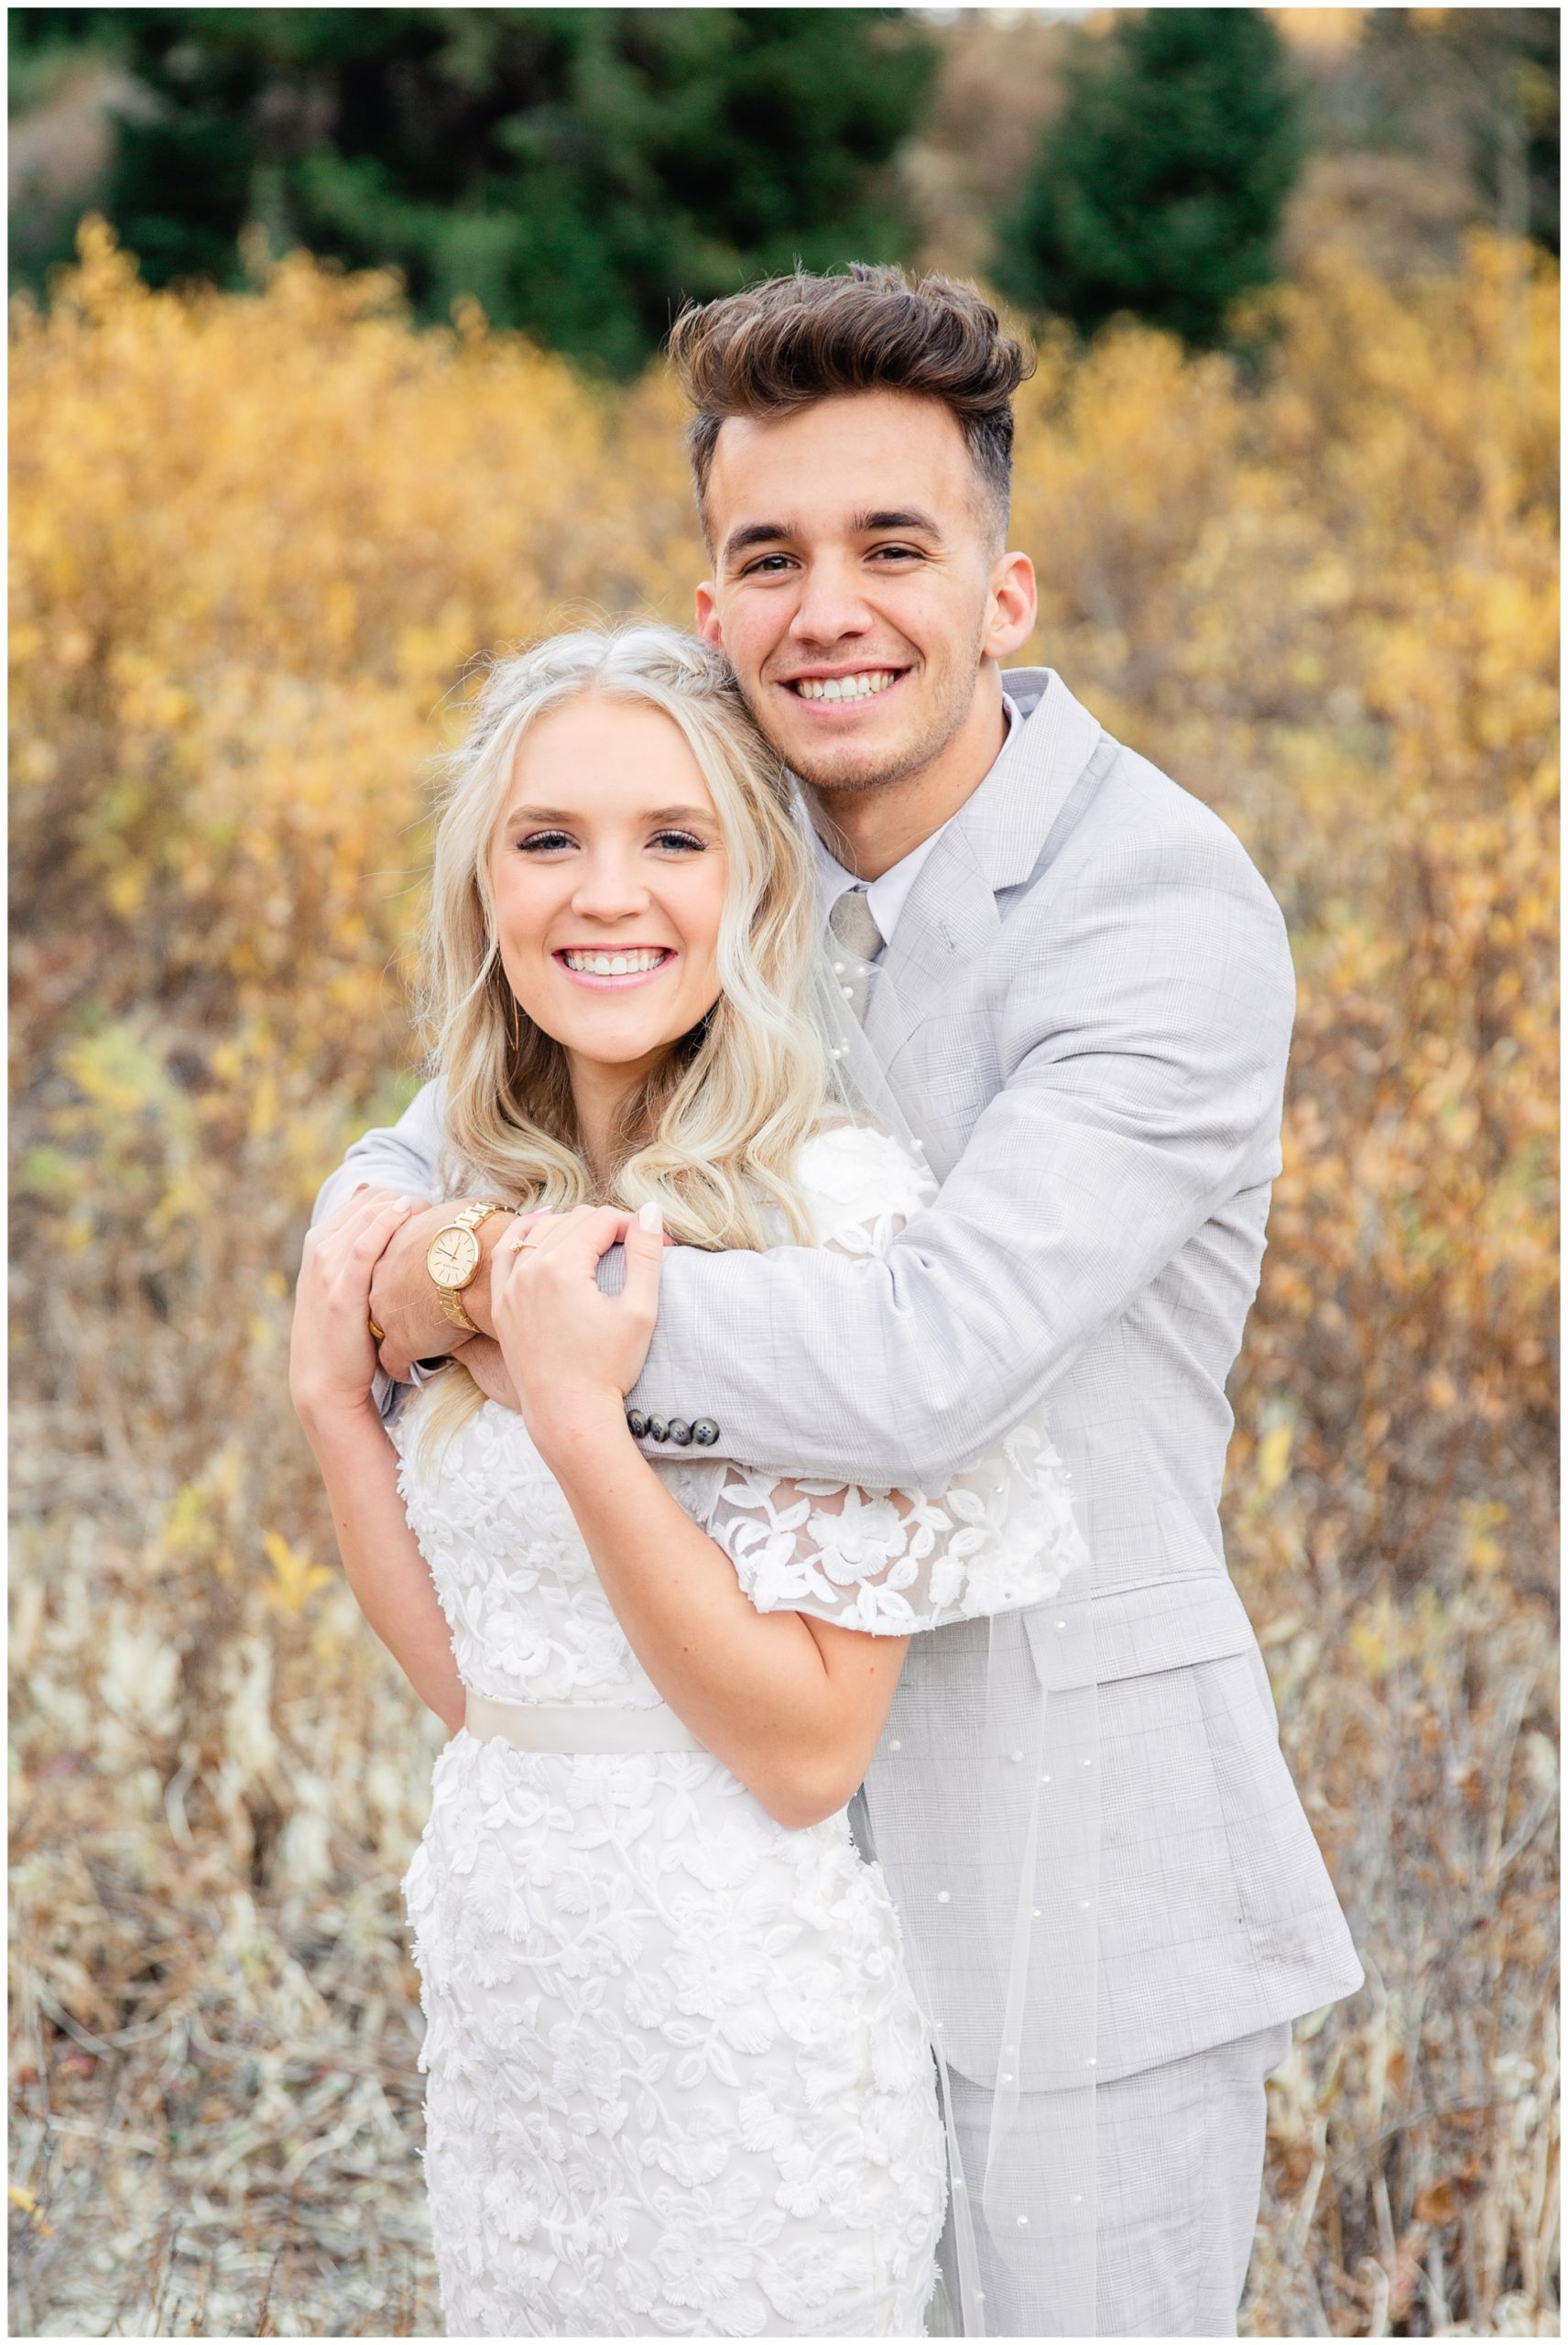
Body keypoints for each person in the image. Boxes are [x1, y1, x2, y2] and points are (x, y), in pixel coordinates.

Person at [318, 265, 1363, 2337]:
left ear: (1005, 589)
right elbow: (411, 1153)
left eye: (894, 546)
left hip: (1070, 1875)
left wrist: (516, 1314)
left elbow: (919, 1367)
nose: (829, 610)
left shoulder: (1157, 907)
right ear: (710, 606)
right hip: (736, 1892)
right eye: (767, 556)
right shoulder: (727, 852)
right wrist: (418, 1249)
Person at [293, 623, 1088, 2338]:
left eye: (673, 839)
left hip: (734, 2032)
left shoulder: (840, 1213)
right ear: (482, 886)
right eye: (547, 839)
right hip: (510, 1996)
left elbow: (808, 1757)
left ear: (753, 885)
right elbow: (476, 1693)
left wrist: (581, 1428)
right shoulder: (469, 1189)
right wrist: (336, 1412)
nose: (606, 895)